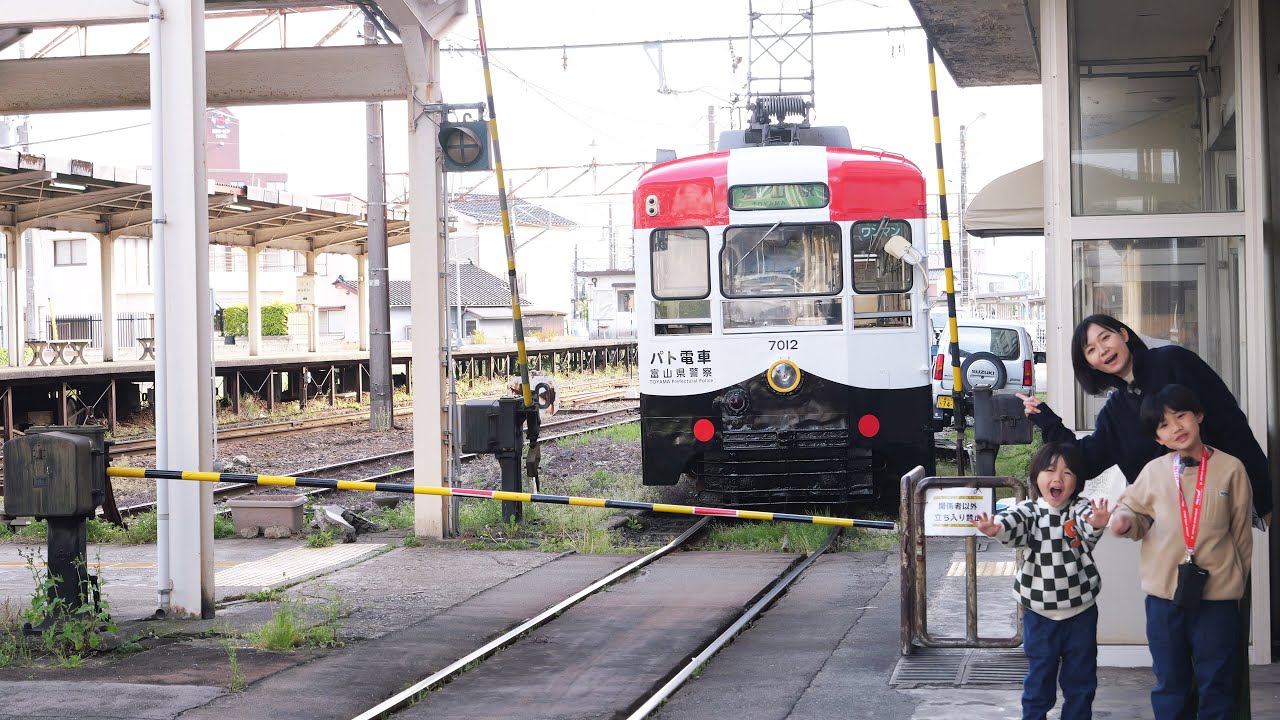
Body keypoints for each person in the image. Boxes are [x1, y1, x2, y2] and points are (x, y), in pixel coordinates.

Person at [1015, 314, 1271, 525]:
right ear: (1090, 365)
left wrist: (1264, 496)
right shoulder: (1115, 412)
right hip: (1170, 526)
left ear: (1124, 335)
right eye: (1091, 350)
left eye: (1105, 337)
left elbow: (1230, 422)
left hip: (1218, 507)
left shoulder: (1174, 362)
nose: (1102, 350)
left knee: (1223, 582)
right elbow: (1086, 460)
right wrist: (1047, 421)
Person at [1110, 385, 1253, 720]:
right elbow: (1134, 513)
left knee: (1217, 683)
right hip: (1164, 598)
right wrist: (1123, 523)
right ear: (1158, 438)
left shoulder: (1232, 469)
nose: (1176, 427)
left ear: (1198, 416)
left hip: (1217, 599)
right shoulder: (1154, 472)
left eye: (1181, 415)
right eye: (1163, 425)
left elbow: (1242, 536)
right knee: (1170, 683)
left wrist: (1237, 587)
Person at [974, 442, 1111, 720]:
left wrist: (1097, 522)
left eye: (1067, 473)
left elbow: (1087, 525)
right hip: (1039, 614)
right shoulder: (1029, 511)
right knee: (1039, 681)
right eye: (1049, 470)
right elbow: (1013, 522)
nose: (1058, 478)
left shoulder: (1079, 509)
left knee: (1081, 682)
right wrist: (996, 528)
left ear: (1077, 481)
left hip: (1080, 612)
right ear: (1037, 476)